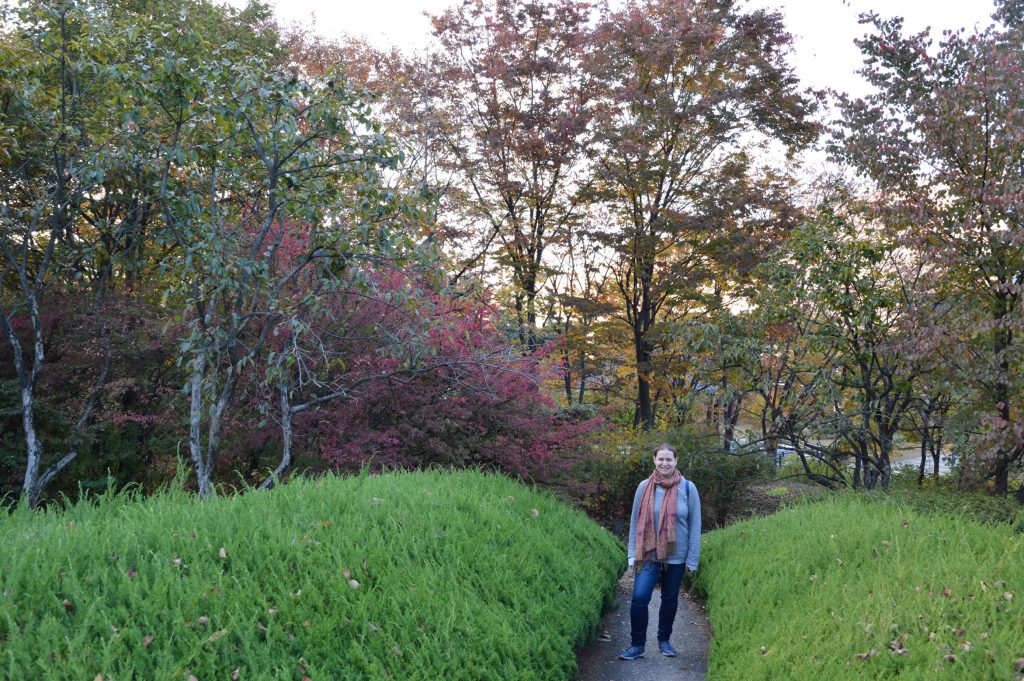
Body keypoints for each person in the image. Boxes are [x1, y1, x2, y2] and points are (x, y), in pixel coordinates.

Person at [618, 443, 701, 661]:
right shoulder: (644, 487)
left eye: (669, 459)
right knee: (639, 598)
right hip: (647, 554)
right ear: (654, 460)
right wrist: (631, 553)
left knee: (670, 598)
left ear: (676, 461)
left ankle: (664, 641)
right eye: (661, 459)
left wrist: (692, 558)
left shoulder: (688, 488)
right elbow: (635, 521)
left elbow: (695, 525)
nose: (665, 463)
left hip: (677, 556)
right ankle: (637, 645)